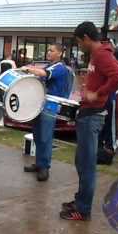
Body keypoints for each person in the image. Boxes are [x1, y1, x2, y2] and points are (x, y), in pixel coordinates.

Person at [60, 22, 118, 221]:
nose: (79, 45)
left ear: (87, 38)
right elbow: (117, 71)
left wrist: (97, 93)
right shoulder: (100, 53)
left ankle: (83, 209)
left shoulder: (101, 53)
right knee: (81, 161)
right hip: (88, 113)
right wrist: (89, 85)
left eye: (79, 41)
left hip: (93, 115)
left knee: (87, 164)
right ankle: (81, 200)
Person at [21, 43, 71, 181]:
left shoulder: (60, 67)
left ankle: (45, 167)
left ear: (60, 53)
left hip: (50, 106)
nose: (48, 52)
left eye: (51, 50)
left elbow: (44, 74)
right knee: (37, 135)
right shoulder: (50, 65)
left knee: (45, 137)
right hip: (40, 104)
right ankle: (39, 163)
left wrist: (28, 68)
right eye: (48, 50)